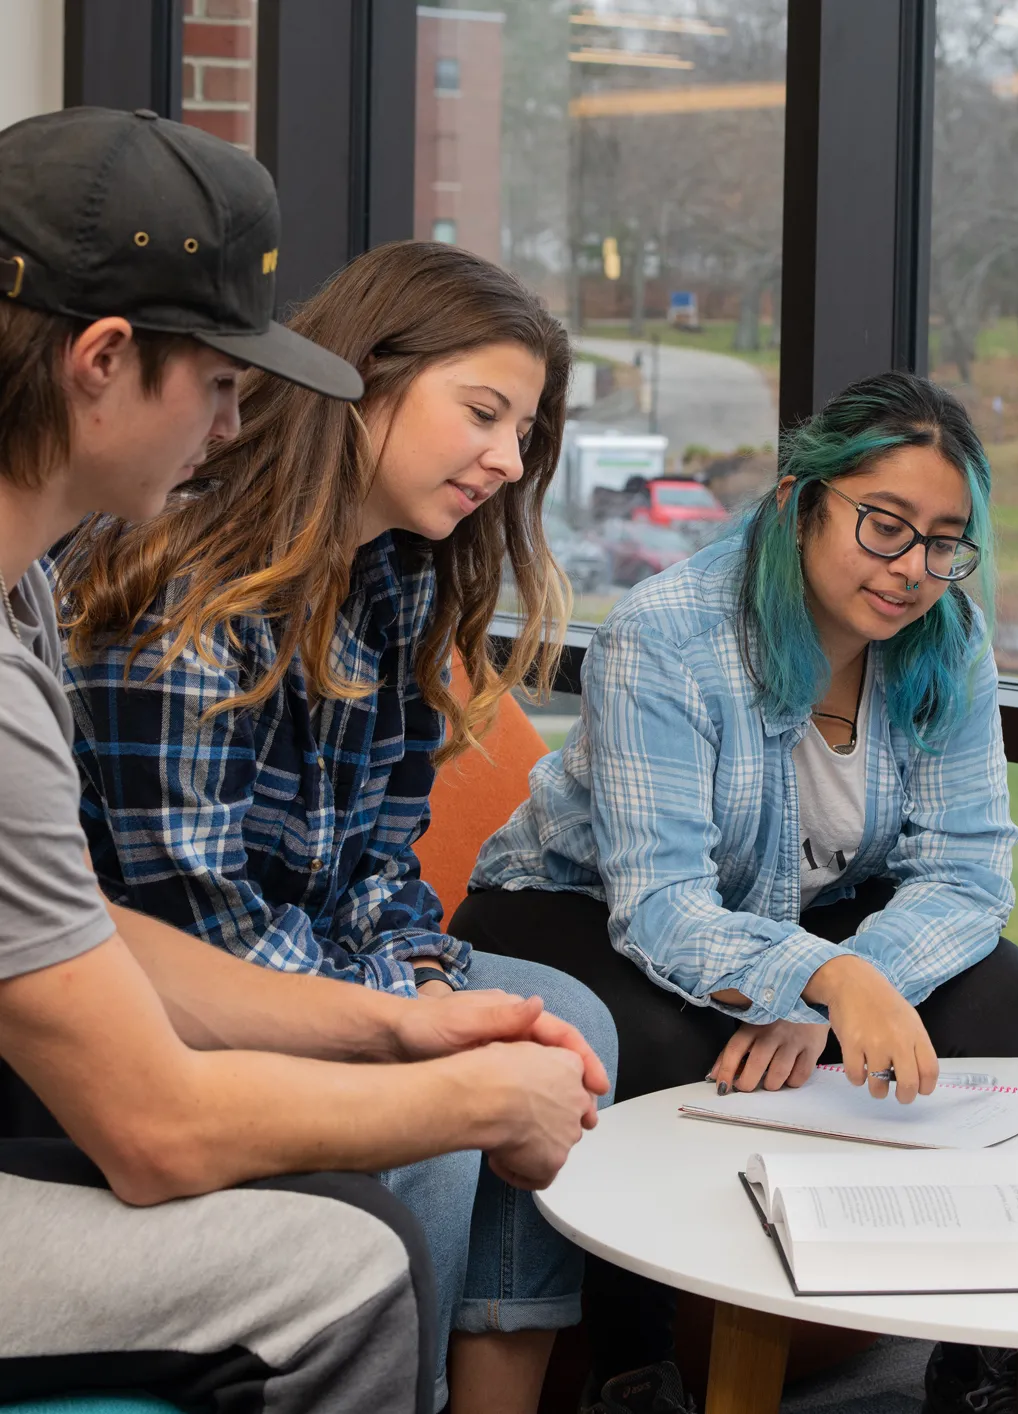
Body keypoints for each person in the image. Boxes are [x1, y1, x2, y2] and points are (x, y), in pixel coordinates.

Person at [0, 106, 608, 1414]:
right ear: (102, 361)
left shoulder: (24, 595)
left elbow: (84, 924)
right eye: (221, 382)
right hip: (70, 1096)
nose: (236, 423)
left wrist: (402, 1009)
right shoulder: (105, 604)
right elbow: (153, 1108)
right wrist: (458, 1087)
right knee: (356, 1259)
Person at [456, 370, 1018, 1414]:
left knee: (1006, 997)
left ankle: (977, 1353)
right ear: (799, 504)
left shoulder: (948, 641)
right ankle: (635, 1367)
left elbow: (969, 871)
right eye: (884, 526)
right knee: (674, 1050)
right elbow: (661, 902)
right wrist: (819, 980)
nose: (913, 570)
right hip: (574, 903)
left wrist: (842, 987)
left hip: (785, 916)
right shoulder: (666, 635)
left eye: (945, 542)